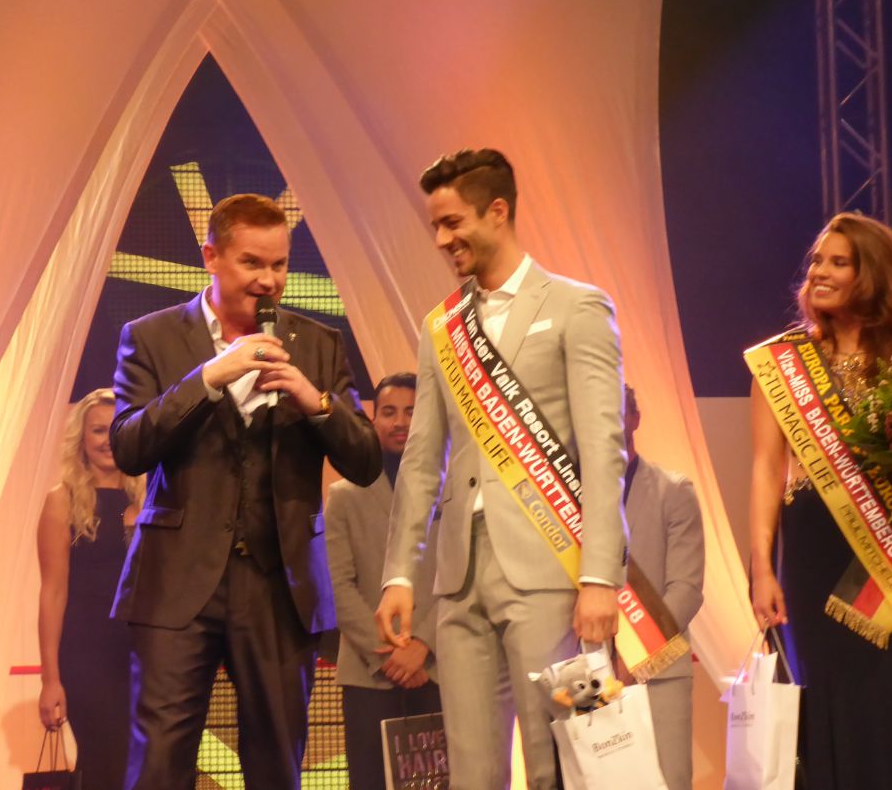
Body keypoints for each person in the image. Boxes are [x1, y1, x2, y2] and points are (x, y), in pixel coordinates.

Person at [110, 193, 381, 790]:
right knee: (159, 764)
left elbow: (365, 462)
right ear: (211, 257)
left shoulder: (318, 343)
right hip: (176, 585)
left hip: (279, 587)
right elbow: (128, 445)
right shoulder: (150, 337)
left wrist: (316, 401)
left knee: (277, 765)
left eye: (279, 265)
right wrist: (209, 377)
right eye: (252, 263)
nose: (269, 280)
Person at [376, 148, 627, 789]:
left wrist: (601, 577)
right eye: (435, 226)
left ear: (497, 210)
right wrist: (399, 573)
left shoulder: (578, 306)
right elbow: (421, 458)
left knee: (563, 762)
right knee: (470, 770)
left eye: (452, 223)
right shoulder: (442, 326)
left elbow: (604, 449)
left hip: (554, 569)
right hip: (460, 577)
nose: (441, 240)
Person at [749, 212, 892, 789]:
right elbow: (766, 469)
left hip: (887, 557)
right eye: (817, 260)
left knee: (889, 691)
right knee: (826, 691)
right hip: (813, 553)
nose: (819, 271)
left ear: (871, 276)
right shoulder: (783, 364)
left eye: (839, 262)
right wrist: (760, 568)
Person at [326, 372, 442, 790]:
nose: (400, 422)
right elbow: (338, 585)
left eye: (411, 411)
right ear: (373, 420)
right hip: (369, 673)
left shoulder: (452, 491)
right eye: (389, 412)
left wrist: (423, 645)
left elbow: (463, 577)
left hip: (439, 669)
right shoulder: (343, 495)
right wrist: (391, 656)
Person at [36, 388, 146, 790]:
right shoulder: (61, 500)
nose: (108, 439)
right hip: (88, 657)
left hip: (143, 657)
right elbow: (53, 592)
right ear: (81, 440)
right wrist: (50, 679)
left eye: (117, 429)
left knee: (143, 768)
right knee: (106, 765)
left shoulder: (150, 498)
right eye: (98, 430)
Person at [620, 385, 703, 790]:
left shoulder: (674, 490)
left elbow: (686, 588)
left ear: (635, 418)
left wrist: (636, 658)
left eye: (615, 411)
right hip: (588, 677)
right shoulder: (567, 500)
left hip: (658, 674)